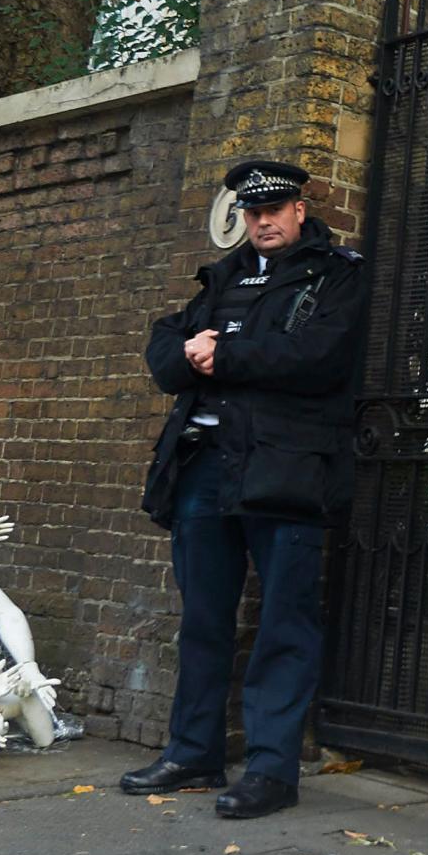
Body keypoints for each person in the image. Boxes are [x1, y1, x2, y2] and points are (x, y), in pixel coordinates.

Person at [124, 159, 369, 820]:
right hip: (205, 467)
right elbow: (164, 348)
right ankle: (194, 749)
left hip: (285, 468)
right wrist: (189, 354)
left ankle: (270, 768)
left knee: (284, 623)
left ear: (298, 210)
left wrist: (222, 354)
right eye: (252, 211)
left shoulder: (337, 276)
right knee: (202, 619)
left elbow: (317, 358)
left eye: (274, 208)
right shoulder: (223, 277)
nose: (261, 220)